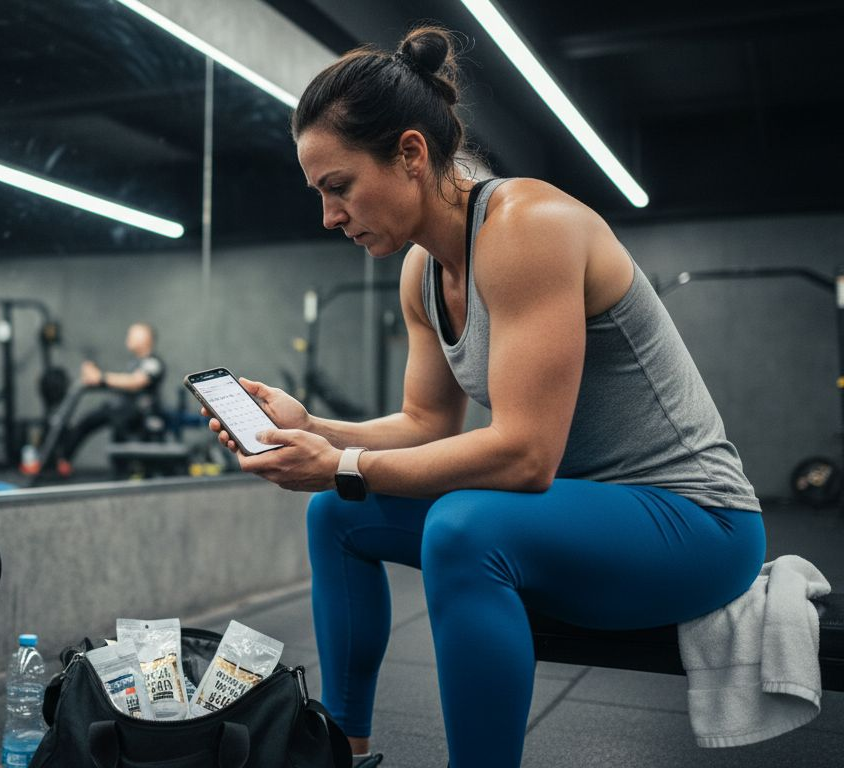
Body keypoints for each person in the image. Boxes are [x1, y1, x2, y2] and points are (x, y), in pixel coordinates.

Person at [205, 28, 765, 768]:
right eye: (320, 195)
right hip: (580, 518)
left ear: (409, 154)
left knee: (465, 525)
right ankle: (340, 750)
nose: (329, 216)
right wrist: (315, 428)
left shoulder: (527, 228)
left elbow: (527, 457)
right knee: (337, 512)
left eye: (338, 187)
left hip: (696, 525)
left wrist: (343, 461)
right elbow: (425, 423)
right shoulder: (422, 272)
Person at [53, 322, 165, 477]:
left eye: (133, 334)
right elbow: (124, 381)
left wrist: (101, 377)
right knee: (87, 421)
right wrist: (97, 377)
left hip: (140, 416)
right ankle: (62, 460)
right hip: (122, 412)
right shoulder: (134, 363)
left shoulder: (153, 363)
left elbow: (135, 382)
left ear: (145, 338)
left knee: (117, 421)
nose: (129, 338)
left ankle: (126, 473)